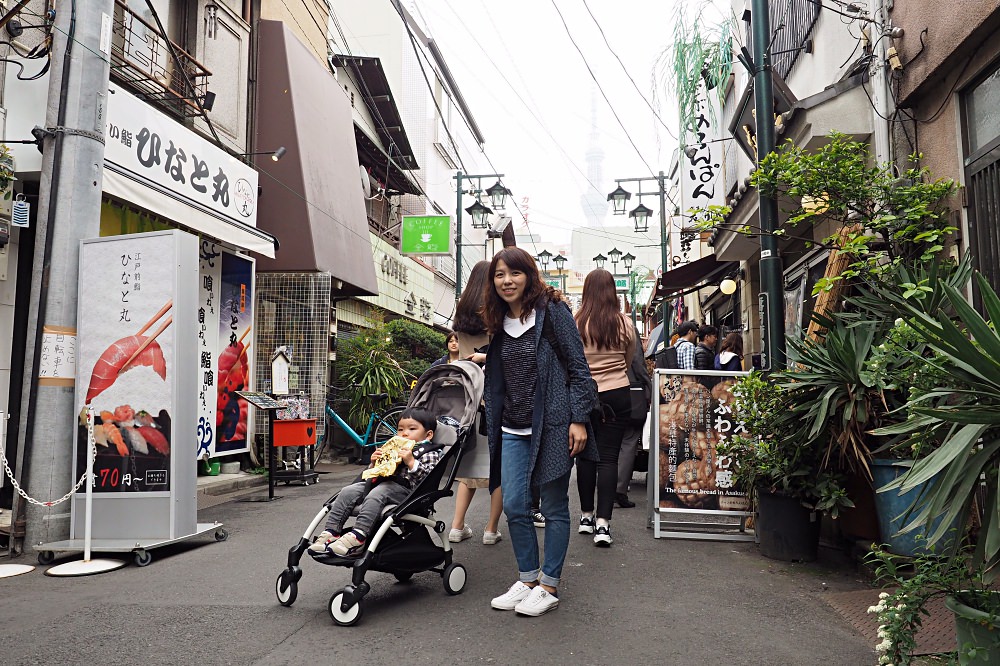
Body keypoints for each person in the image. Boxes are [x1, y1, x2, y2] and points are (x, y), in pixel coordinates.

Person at [482, 246, 598, 617]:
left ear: (529, 275)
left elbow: (580, 369)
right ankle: (528, 578)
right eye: (499, 275)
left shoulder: (553, 312)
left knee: (553, 506)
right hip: (512, 426)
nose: (507, 281)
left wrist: (578, 419)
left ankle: (548, 584)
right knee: (515, 504)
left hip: (552, 425)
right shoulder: (499, 320)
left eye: (514, 273)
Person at [309, 408, 439, 557]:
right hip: (383, 484)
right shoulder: (394, 448)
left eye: (412, 429)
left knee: (378, 493)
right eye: (400, 429)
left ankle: (358, 537)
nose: (404, 433)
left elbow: (428, 477)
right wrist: (375, 463)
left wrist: (411, 462)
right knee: (348, 491)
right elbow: (376, 474)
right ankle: (331, 532)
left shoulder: (429, 452)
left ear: (428, 435)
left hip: (409, 492)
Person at [574, 269, 635, 547]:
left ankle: (586, 517)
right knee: (609, 458)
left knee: (585, 457)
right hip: (618, 393)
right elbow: (630, 358)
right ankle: (603, 525)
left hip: (584, 395)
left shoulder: (576, 322)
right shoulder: (624, 323)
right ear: (613, 292)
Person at [448, 260, 504, 546]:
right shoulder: (494, 312)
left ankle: (457, 526)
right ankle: (491, 529)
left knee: (469, 467)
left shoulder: (462, 312)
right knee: (499, 467)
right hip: (494, 397)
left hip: (469, 399)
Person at [617, 323, 652, 508]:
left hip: (600, 390)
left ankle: (597, 497)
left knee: (606, 442)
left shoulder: (587, 322)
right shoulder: (627, 326)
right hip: (630, 389)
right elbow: (637, 360)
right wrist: (649, 385)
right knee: (629, 441)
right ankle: (619, 489)